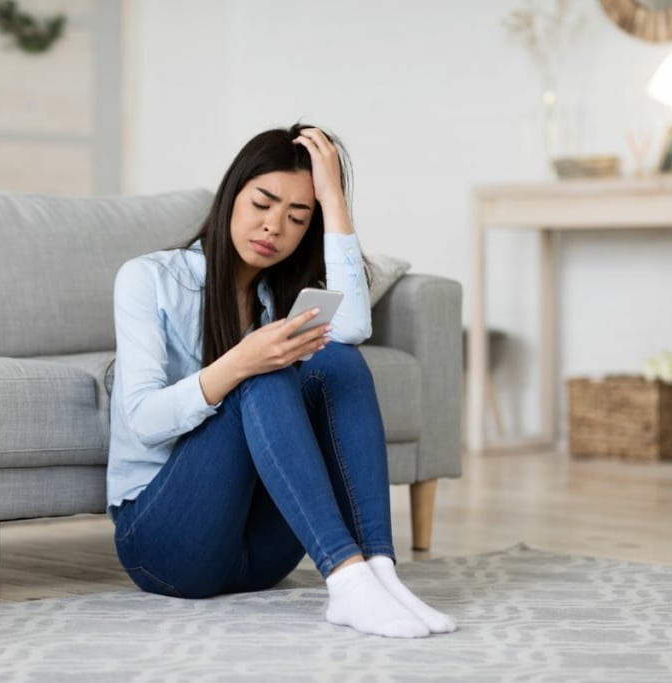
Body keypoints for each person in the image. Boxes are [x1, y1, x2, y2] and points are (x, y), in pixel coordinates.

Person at [106, 124, 456, 638]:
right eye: (262, 204)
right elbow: (142, 422)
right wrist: (240, 362)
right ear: (231, 197)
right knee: (262, 376)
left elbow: (353, 330)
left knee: (338, 361)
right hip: (165, 545)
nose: (274, 227)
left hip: (260, 558)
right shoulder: (149, 278)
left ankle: (377, 572)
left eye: (297, 217)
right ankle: (346, 578)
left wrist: (334, 198)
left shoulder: (281, 296)